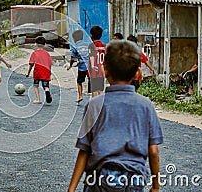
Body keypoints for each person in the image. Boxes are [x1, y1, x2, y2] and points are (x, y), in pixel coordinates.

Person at [68, 40, 163, 192]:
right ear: (137, 73)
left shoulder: (94, 105)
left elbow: (84, 150)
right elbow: (153, 151)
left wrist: (71, 189)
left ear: (105, 71)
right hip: (134, 179)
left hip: (99, 178)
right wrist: (156, 187)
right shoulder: (145, 105)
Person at [26, 37, 53, 104]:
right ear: (44, 44)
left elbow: (31, 64)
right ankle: (47, 91)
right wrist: (49, 72)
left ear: (36, 44)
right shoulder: (47, 53)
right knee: (46, 85)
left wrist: (28, 73)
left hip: (37, 72)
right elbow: (50, 64)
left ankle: (38, 99)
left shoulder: (34, 53)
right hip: (46, 71)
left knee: (36, 85)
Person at [67, 30, 89, 103]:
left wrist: (70, 65)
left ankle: (80, 96)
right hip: (89, 66)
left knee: (79, 82)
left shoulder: (75, 46)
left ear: (74, 39)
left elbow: (72, 58)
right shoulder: (87, 45)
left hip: (82, 67)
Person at [88, 25, 106, 97]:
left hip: (94, 72)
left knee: (94, 91)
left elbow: (92, 55)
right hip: (101, 71)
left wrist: (92, 65)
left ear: (91, 35)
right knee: (101, 90)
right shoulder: (104, 46)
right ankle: (101, 105)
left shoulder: (91, 45)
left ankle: (95, 107)